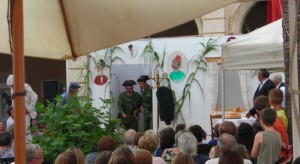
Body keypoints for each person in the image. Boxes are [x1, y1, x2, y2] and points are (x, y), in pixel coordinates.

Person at [6, 74, 38, 142]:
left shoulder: (25, 86)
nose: (12, 86)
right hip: (17, 112)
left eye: (13, 85)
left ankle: (29, 147)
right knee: (19, 131)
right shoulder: (12, 88)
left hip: (25, 111)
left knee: (26, 131)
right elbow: (14, 100)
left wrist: (29, 109)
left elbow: (35, 96)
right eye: (11, 85)